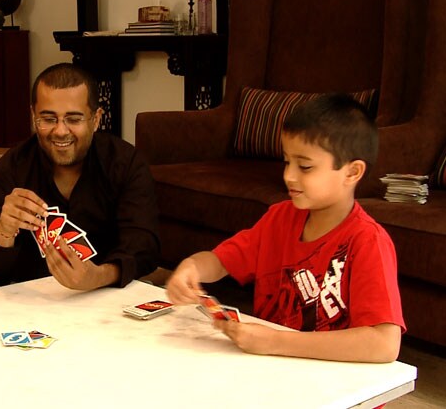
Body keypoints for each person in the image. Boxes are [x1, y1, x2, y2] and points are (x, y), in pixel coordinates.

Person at [166, 93, 404, 363]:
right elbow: (221, 260)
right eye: (286, 161)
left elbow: (384, 344)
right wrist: (192, 267)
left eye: (305, 166)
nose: (289, 175)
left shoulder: (368, 241)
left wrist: (275, 341)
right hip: (274, 369)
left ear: (352, 172)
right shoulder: (279, 218)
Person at [0, 63, 160, 291]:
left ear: (96, 119)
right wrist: (4, 233)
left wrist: (98, 276)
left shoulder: (125, 164)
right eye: (48, 119)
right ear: (33, 116)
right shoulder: (8, 171)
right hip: (28, 302)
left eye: (74, 119)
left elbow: (145, 248)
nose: (60, 131)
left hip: (106, 294)